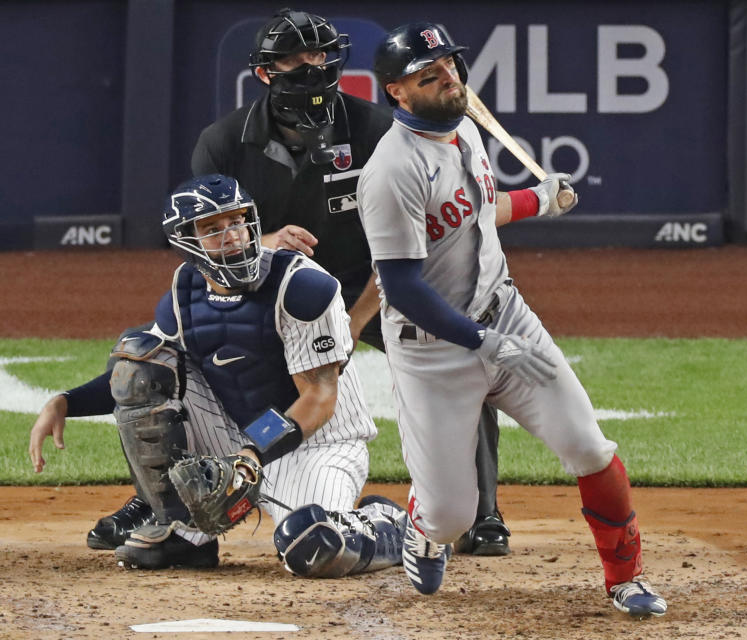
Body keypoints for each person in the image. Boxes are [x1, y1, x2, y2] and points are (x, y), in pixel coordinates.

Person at [31, 8, 511, 556]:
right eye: (294, 58)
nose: (311, 66)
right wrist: (259, 244)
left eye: (320, 54)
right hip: (267, 285)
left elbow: (409, 248)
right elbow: (212, 235)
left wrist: (350, 324)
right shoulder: (225, 142)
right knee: (151, 365)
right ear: (265, 72)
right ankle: (164, 502)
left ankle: (481, 513)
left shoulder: (379, 132)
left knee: (456, 357)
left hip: (371, 281)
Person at [356, 22, 668, 618]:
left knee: (589, 448)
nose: (449, 78)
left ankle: (625, 579)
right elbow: (399, 285)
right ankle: (423, 521)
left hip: (509, 317)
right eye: (430, 75)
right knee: (456, 517)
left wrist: (539, 199)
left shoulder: (465, 129)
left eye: (449, 65)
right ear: (397, 92)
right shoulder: (391, 171)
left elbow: (477, 213)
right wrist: (478, 340)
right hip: (432, 351)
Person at [31, 174, 405, 578]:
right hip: (242, 442)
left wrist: (252, 454)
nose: (231, 235)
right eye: (213, 229)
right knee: (140, 364)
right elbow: (132, 376)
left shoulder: (301, 286)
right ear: (186, 240)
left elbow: (320, 397)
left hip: (319, 445)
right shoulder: (185, 292)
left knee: (311, 545)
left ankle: (390, 525)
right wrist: (65, 401)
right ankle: (184, 529)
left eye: (237, 221)